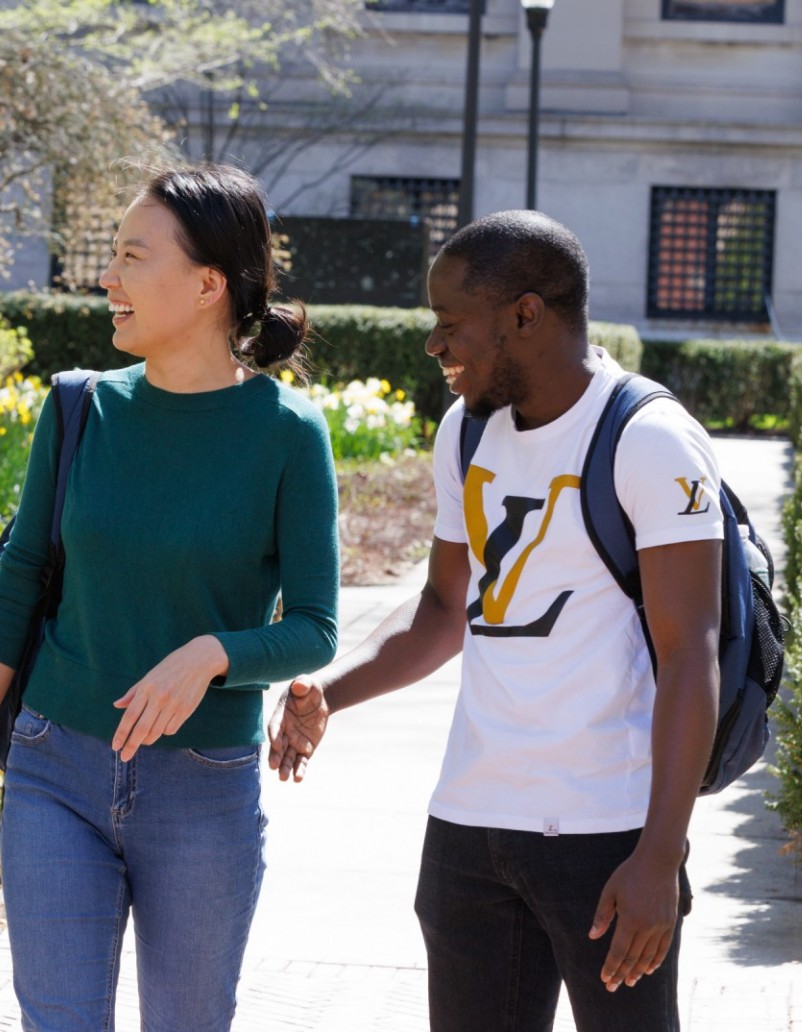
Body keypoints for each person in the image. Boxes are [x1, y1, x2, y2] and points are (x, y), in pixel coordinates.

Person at [0, 163, 340, 1031]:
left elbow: (317, 629)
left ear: (208, 283)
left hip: (203, 789)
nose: (108, 278)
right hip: (52, 769)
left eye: (132, 257)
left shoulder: (287, 433)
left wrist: (215, 654)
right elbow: (16, 589)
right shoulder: (79, 409)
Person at [267, 211, 723, 1032]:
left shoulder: (650, 440)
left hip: (606, 834)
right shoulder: (467, 428)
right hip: (471, 830)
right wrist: (331, 692)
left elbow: (694, 655)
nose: (436, 347)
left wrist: (662, 854)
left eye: (450, 325)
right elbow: (444, 611)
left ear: (525, 313)